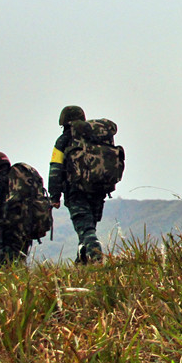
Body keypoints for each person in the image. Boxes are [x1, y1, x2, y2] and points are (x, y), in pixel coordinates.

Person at [48, 105, 104, 264]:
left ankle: (96, 254)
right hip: (99, 190)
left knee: (86, 229)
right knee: (88, 227)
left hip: (75, 191)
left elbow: (55, 168)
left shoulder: (64, 140)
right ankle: (83, 262)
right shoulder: (97, 137)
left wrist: (54, 196)